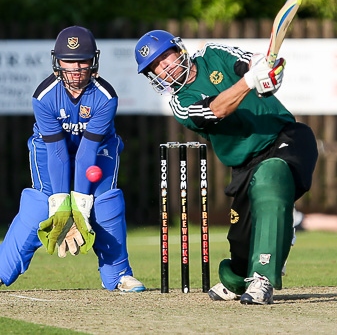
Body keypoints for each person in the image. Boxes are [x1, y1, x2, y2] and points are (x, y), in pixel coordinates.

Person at [134, 30, 318, 305]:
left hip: (285, 137)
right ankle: (244, 272)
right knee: (239, 262)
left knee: (272, 176)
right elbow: (217, 110)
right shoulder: (181, 104)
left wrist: (268, 73)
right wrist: (248, 82)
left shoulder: (211, 54)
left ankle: (264, 279)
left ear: (178, 50)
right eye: (155, 67)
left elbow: (250, 62)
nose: (164, 67)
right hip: (244, 166)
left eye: (164, 57)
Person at [0, 25, 145, 293]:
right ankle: (1, 269)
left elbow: (87, 153)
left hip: (97, 149)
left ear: (93, 61)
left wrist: (78, 205)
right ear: (57, 61)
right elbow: (57, 153)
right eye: (69, 60)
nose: (76, 68)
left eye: (82, 60)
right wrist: (61, 205)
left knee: (105, 202)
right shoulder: (44, 97)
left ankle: (118, 274)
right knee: (41, 204)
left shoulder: (105, 97)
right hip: (50, 149)